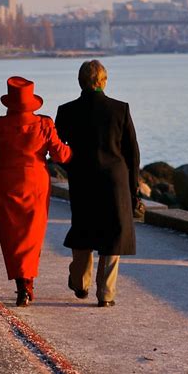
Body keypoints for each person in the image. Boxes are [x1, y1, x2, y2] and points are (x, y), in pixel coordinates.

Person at [0, 76, 72, 307]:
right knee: (32, 236)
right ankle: (28, 283)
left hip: (6, 184)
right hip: (35, 183)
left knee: (12, 237)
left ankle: (22, 284)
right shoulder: (44, 124)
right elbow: (61, 155)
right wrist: (75, 150)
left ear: (9, 102)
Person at [55, 60, 140, 307]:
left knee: (83, 230)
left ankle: (80, 283)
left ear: (80, 81)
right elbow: (132, 153)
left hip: (82, 180)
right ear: (104, 81)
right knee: (113, 234)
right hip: (115, 180)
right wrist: (134, 188)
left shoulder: (67, 111)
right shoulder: (120, 109)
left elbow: (59, 151)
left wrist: (71, 168)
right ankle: (106, 294)